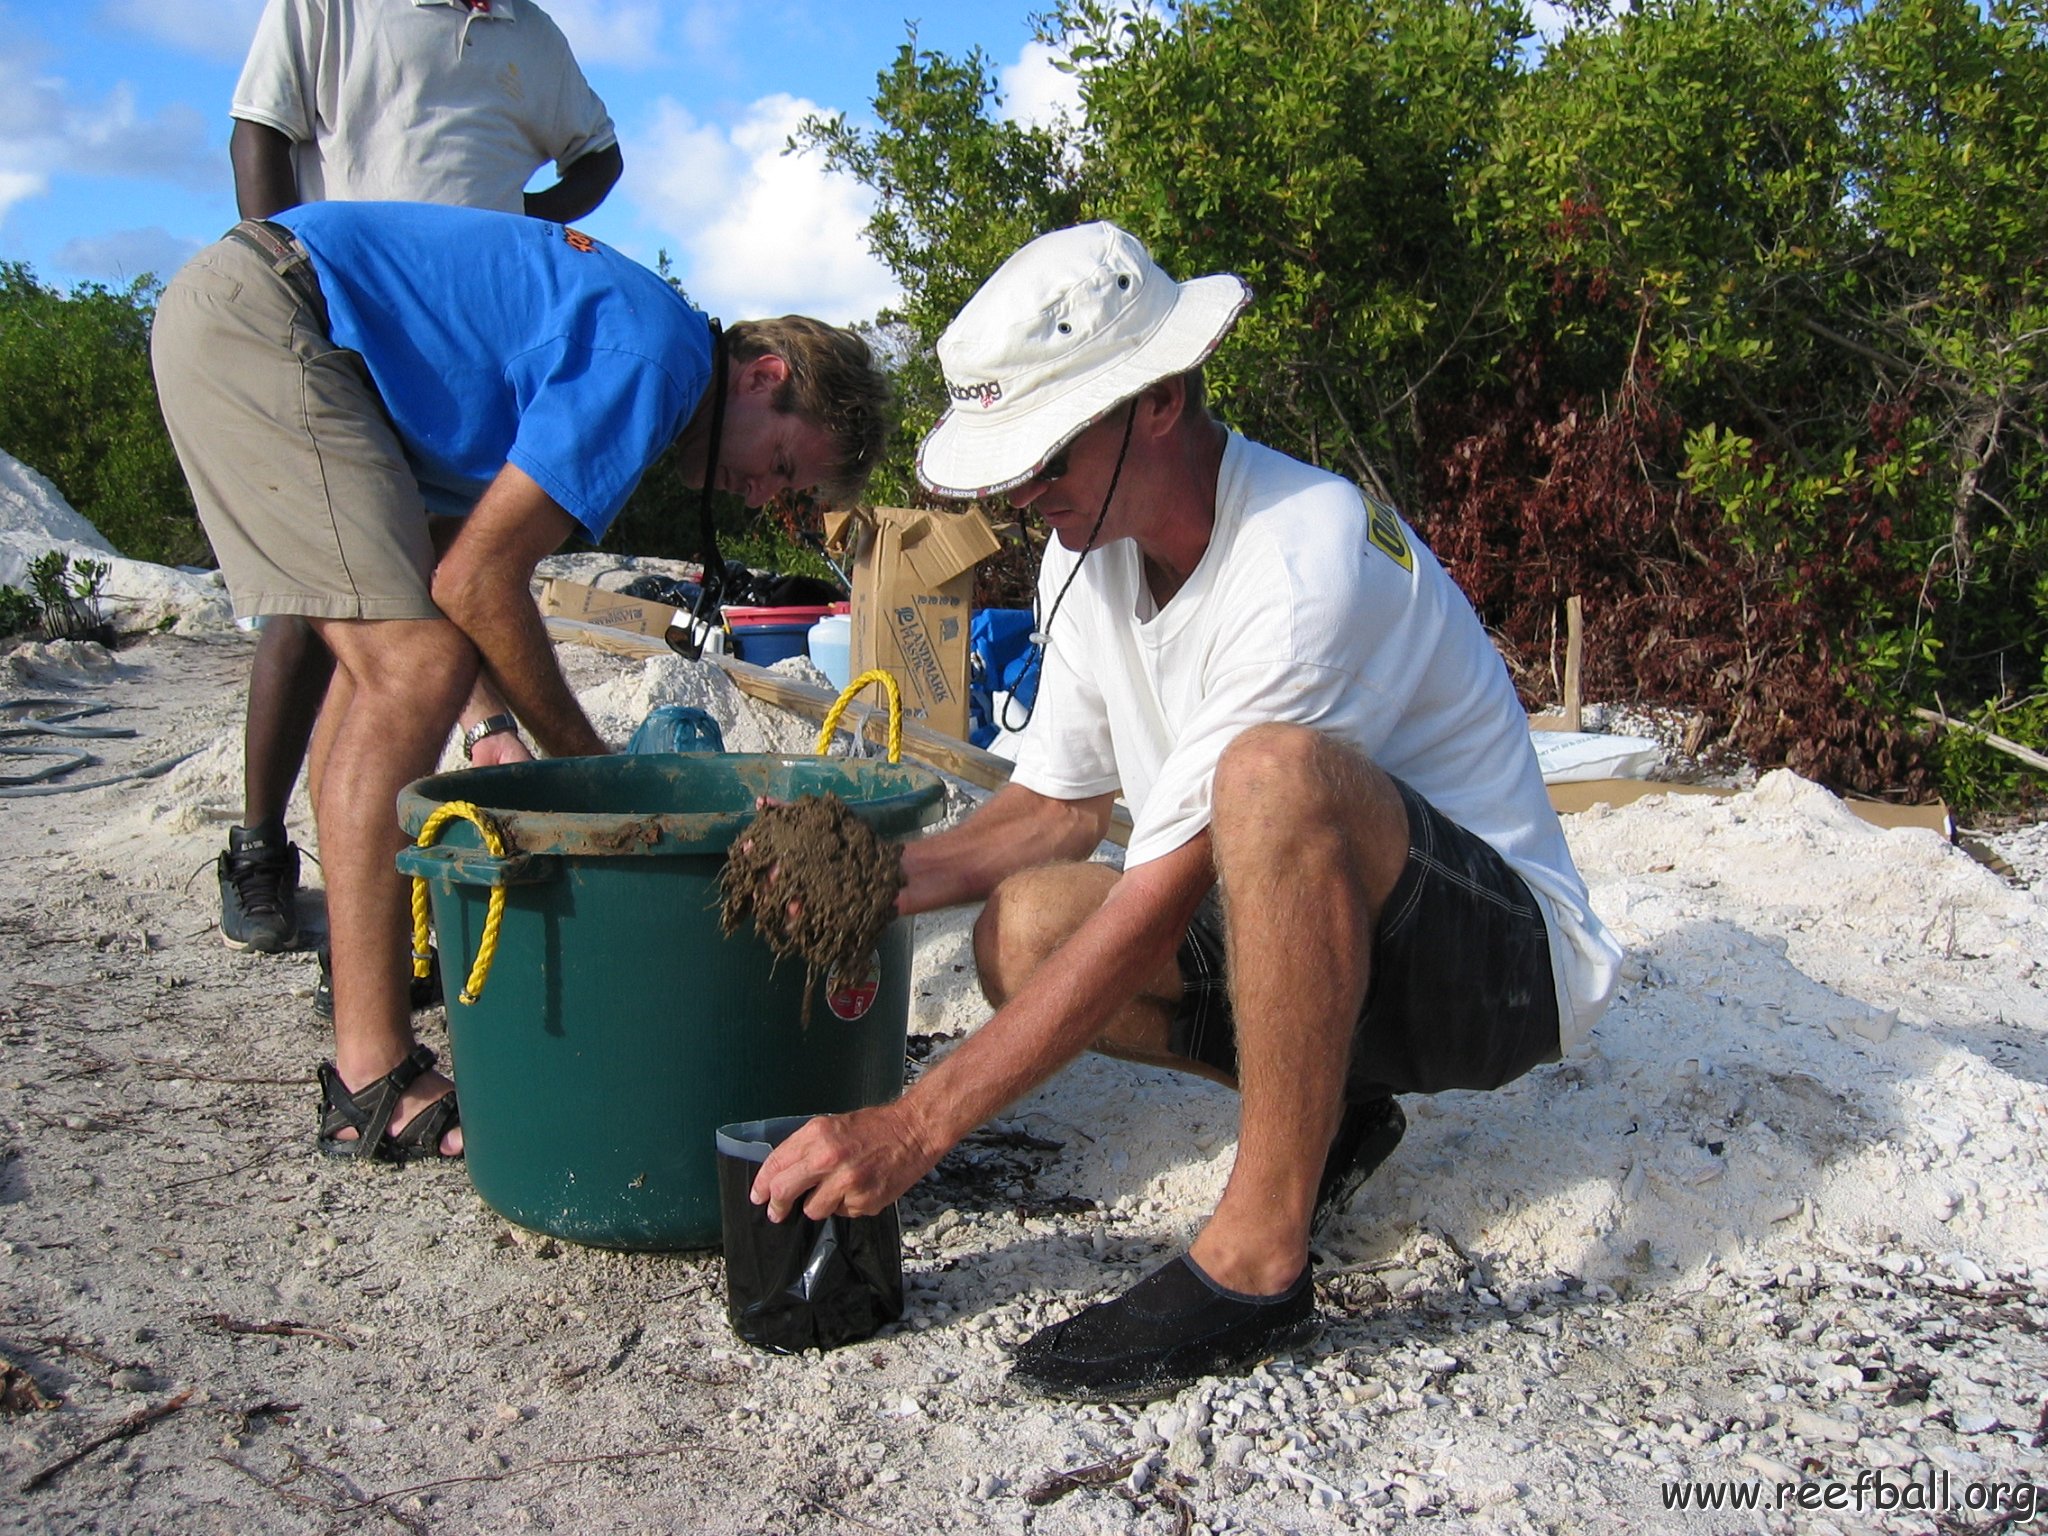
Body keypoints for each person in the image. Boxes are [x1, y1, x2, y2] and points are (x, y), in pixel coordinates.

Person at [750, 222, 1622, 1403]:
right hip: (1322, 933)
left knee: (1269, 779)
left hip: (1497, 965)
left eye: (1046, 455)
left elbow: (1162, 903)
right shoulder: (1084, 551)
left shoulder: (1303, 550)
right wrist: (875, 880)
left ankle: (1259, 1260)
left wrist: (913, 1128)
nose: (1020, 494)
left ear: (1157, 400)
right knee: (1026, 925)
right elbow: (1054, 810)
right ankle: (1333, 1117)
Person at [152, 199, 889, 1160]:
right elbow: (477, 581)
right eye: (782, 465)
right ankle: (372, 1073)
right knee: (416, 665)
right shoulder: (657, 363)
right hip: (271, 319)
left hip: (272, 318)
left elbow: (457, 550)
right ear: (764, 376)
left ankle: (365, 1032)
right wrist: (593, 771)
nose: (758, 494)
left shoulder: (640, 339)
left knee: (384, 670)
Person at [216, 0, 626, 953]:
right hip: (341, 313)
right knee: (317, 597)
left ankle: (381, 907)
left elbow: (599, 156)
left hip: (467, 353)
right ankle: (260, 843)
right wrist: (290, 264)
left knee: (441, 577)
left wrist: (532, 223)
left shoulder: (531, 36)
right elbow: (258, 133)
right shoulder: (331, 7)